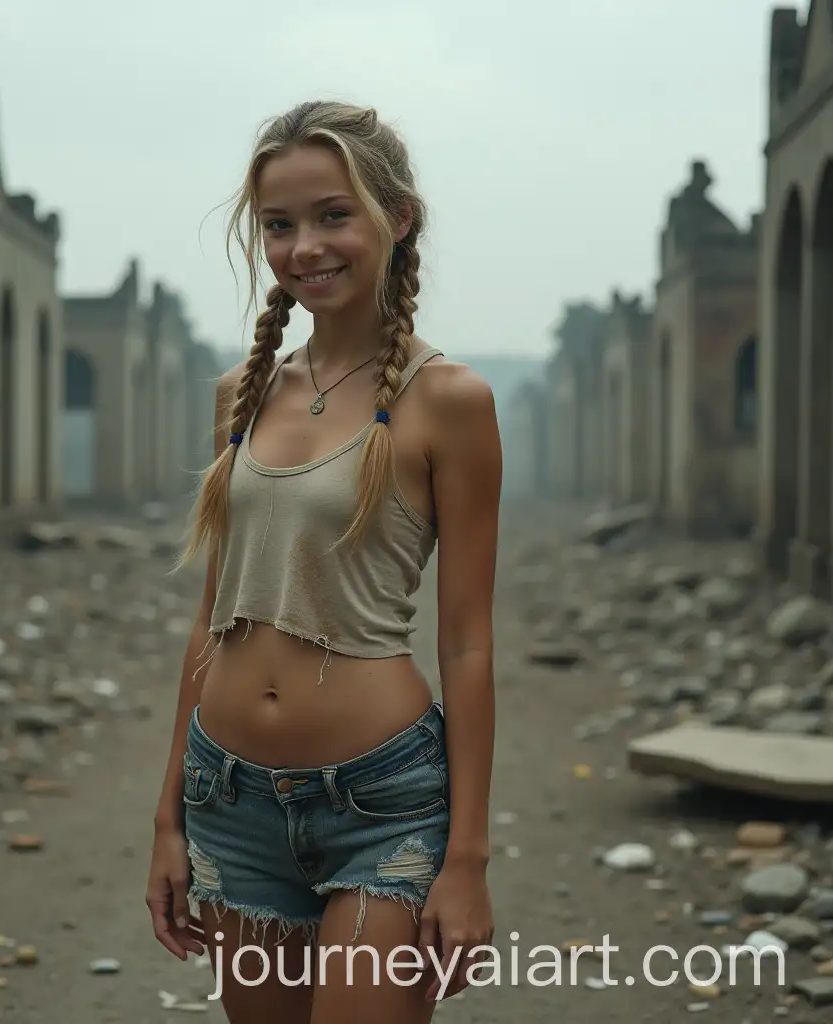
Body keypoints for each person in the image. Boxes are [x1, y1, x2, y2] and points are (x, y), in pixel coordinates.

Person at [146, 99, 502, 1024]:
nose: (305, 246)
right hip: (227, 797)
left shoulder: (450, 402)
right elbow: (212, 618)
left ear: (398, 218)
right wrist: (168, 821)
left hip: (380, 808)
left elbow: (466, 645)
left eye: (333, 215)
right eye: (279, 224)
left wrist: (466, 861)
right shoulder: (244, 391)